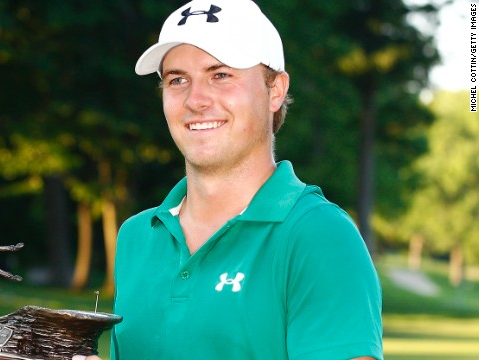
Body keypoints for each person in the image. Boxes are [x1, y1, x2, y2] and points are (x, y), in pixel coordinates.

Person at [75, 0, 383, 359]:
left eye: (220, 75)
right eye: (177, 80)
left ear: (275, 90)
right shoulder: (137, 236)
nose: (196, 99)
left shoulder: (319, 235)